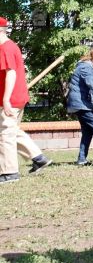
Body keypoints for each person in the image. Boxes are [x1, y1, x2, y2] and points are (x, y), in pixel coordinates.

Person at [0, 17, 53, 183]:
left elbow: (11, 73)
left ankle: (9, 173)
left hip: (11, 99)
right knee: (12, 130)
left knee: (5, 135)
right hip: (16, 97)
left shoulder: (5, 48)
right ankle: (38, 157)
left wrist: (6, 99)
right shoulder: (10, 46)